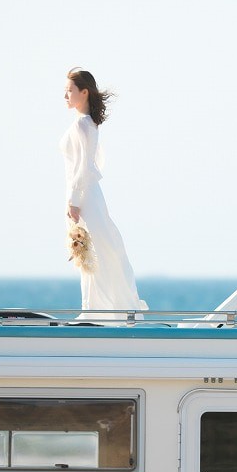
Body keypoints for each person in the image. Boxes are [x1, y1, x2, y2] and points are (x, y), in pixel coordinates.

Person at [60, 67, 146, 312]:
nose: (65, 96)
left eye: (69, 91)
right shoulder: (86, 124)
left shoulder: (82, 126)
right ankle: (94, 307)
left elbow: (86, 166)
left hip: (84, 198)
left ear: (84, 93)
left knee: (92, 251)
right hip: (84, 196)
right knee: (91, 252)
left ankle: (95, 310)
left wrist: (74, 201)